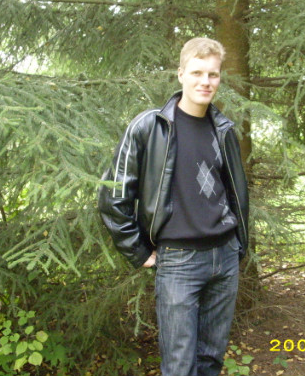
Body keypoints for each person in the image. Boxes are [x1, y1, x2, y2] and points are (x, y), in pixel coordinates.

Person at [98, 37, 249, 376]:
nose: (205, 81)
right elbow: (112, 195)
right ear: (181, 74)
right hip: (179, 262)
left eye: (213, 74)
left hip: (225, 258)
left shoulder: (224, 129)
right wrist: (137, 251)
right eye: (197, 72)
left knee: (211, 361)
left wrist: (238, 244)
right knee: (180, 366)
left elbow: (234, 193)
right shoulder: (149, 127)